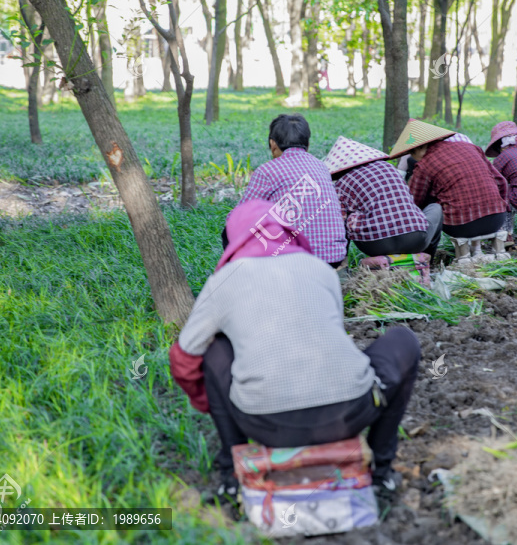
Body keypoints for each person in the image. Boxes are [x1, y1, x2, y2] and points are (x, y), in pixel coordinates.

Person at [170, 200, 421, 503]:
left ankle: (232, 476)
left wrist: (214, 403)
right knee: (403, 340)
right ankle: (381, 472)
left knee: (216, 351)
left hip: (265, 424)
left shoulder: (224, 281)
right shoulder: (320, 270)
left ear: (234, 238)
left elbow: (183, 358)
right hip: (351, 413)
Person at [233, 114, 347, 266]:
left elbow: (240, 216)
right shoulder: (321, 166)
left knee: (232, 231)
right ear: (307, 144)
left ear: (273, 144)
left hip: (292, 261)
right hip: (333, 257)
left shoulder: (267, 170)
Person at [389, 119, 509, 242]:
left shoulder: (424, 164)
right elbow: (501, 182)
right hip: (497, 219)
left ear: (418, 149)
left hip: (461, 226)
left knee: (430, 203)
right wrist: (502, 206)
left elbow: (414, 201)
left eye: (411, 153)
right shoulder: (471, 147)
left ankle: (427, 251)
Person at [324, 136, 443, 258]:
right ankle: (425, 260)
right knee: (436, 208)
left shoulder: (341, 184)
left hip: (375, 245)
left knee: (347, 216)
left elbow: (339, 223)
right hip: (415, 240)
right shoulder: (390, 169)